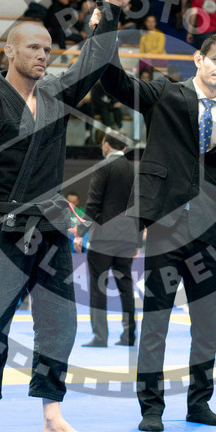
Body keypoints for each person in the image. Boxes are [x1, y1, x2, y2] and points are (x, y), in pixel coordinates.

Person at [0, 0, 125, 432]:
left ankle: (52, 412)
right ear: (10, 52)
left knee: (60, 323)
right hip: (1, 228)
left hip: (51, 226)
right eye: (34, 48)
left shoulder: (56, 95)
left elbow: (95, 58)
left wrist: (110, 8)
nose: (44, 55)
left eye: (47, 49)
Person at [98, 28, 216, 432]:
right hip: (166, 228)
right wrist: (108, 26)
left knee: (206, 327)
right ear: (198, 60)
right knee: (155, 323)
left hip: (211, 232)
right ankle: (151, 408)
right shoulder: (166, 96)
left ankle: (199, 403)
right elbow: (115, 80)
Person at [81, 133, 138, 348]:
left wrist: (79, 231)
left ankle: (100, 336)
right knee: (126, 287)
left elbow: (93, 203)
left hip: (104, 238)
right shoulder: (135, 170)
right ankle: (129, 335)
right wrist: (137, 237)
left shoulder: (103, 166)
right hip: (127, 237)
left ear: (106, 145)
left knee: (98, 287)